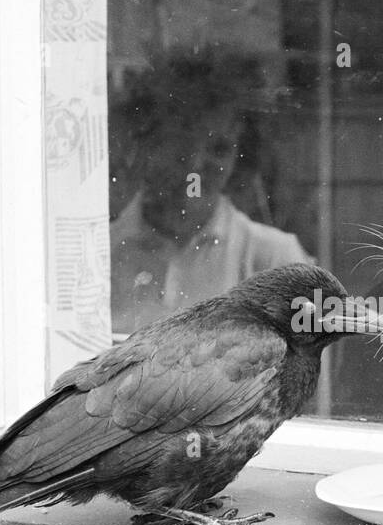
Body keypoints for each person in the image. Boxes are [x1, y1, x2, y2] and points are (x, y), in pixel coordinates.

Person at [108, 50, 311, 334]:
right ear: (148, 143)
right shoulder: (100, 255)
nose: (194, 165)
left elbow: (304, 375)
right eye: (181, 143)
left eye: (219, 149)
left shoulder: (275, 261)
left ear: (242, 155)